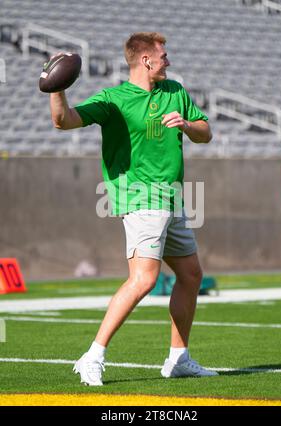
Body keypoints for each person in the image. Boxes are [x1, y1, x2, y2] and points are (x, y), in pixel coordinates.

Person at [49, 32, 218, 386]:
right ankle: (92, 356)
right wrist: (57, 87)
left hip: (172, 197)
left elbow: (206, 132)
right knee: (144, 278)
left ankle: (178, 358)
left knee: (190, 276)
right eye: (164, 55)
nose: (168, 60)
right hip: (140, 197)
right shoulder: (114, 99)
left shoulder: (175, 91)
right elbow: (63, 121)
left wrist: (188, 126)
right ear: (146, 60)